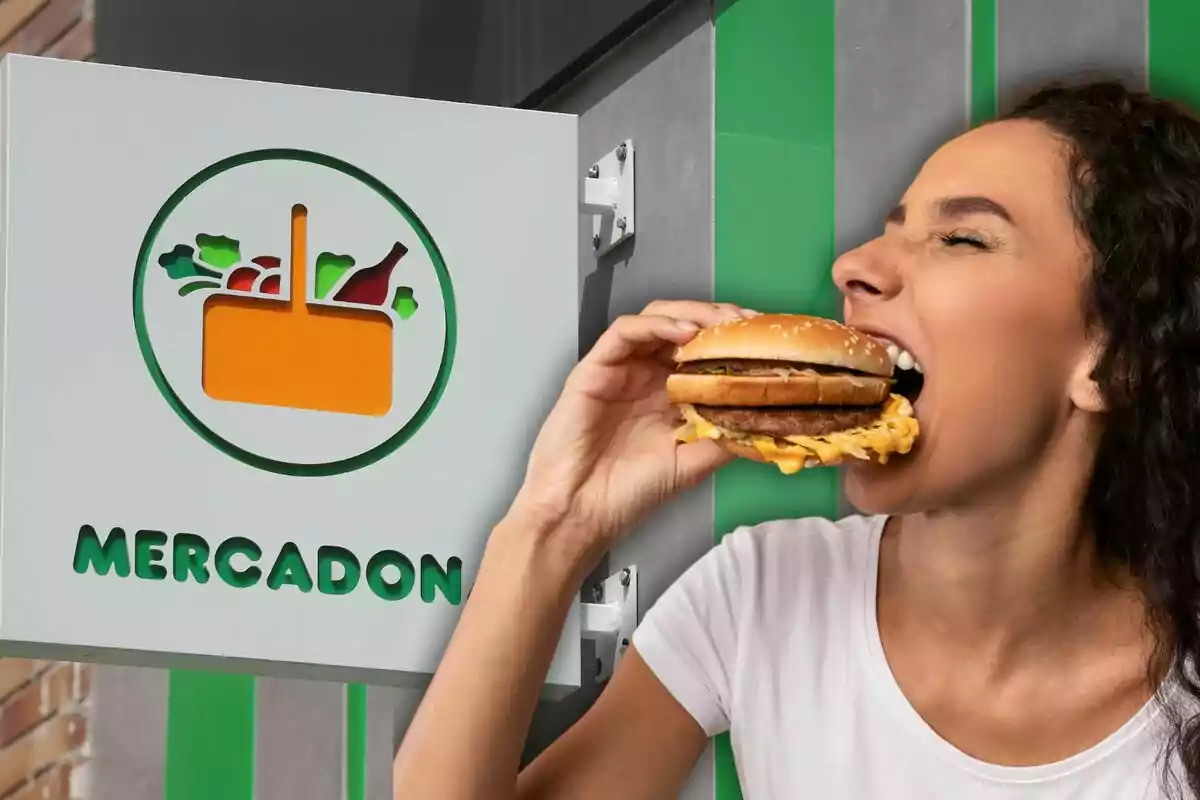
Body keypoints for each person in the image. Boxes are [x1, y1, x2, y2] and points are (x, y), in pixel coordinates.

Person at [392, 79, 1200, 799]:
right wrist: (554, 521)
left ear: (1113, 359)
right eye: (891, 228)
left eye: (961, 239)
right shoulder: (766, 593)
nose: (854, 265)